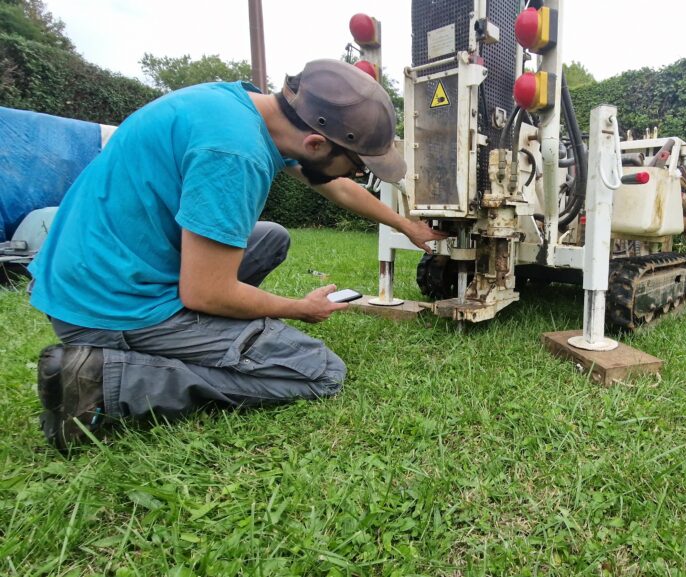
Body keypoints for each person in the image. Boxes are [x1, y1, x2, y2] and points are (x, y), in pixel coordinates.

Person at [27, 59, 447, 453]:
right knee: (320, 372)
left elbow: (334, 186)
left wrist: (405, 225)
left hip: (90, 271)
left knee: (270, 237)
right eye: (356, 163)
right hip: (108, 304)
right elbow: (205, 292)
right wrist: (299, 309)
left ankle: (203, 339)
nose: (357, 173)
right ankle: (102, 380)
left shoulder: (243, 108)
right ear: (316, 142)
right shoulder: (234, 154)